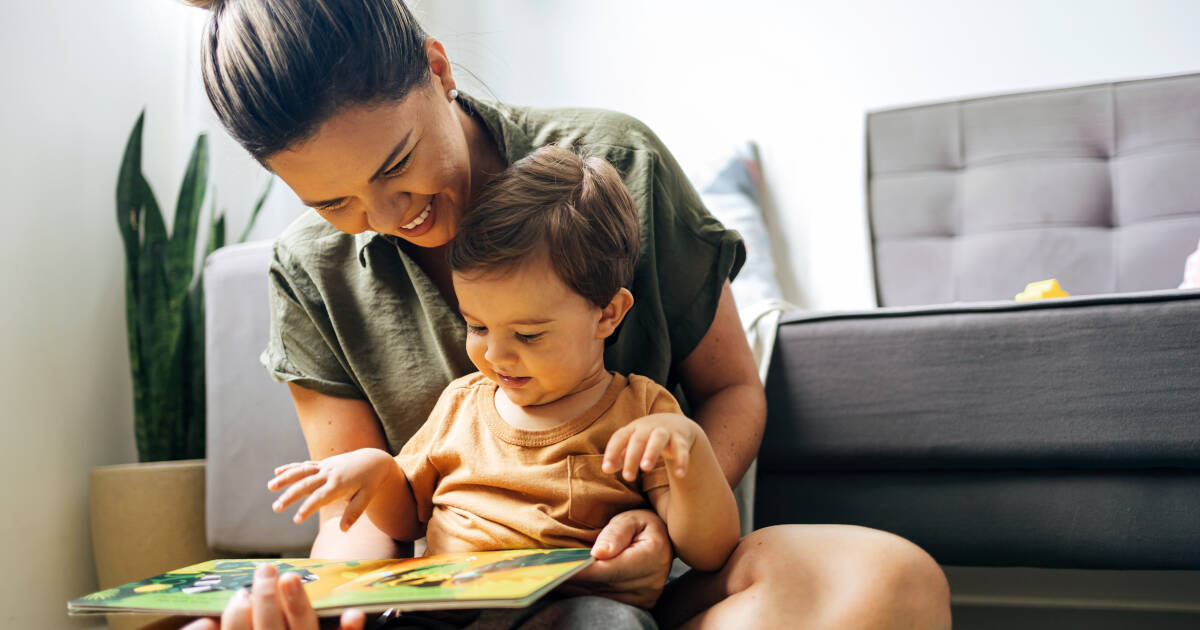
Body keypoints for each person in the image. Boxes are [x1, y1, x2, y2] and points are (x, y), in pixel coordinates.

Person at [181, 1, 952, 628]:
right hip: (461, 601)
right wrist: (321, 605)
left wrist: (667, 518)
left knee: (894, 582)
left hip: (628, 587)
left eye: (396, 165)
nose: (386, 214)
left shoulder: (616, 163)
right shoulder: (308, 268)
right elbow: (365, 512)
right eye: (332, 201)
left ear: (438, 69)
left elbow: (730, 390)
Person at [268, 145, 740, 588]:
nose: (496, 356)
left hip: (574, 607)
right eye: (477, 327)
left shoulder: (643, 412)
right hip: (452, 608)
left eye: (528, 334)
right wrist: (375, 473)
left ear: (608, 314)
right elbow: (407, 518)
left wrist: (692, 453)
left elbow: (710, 552)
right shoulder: (461, 405)